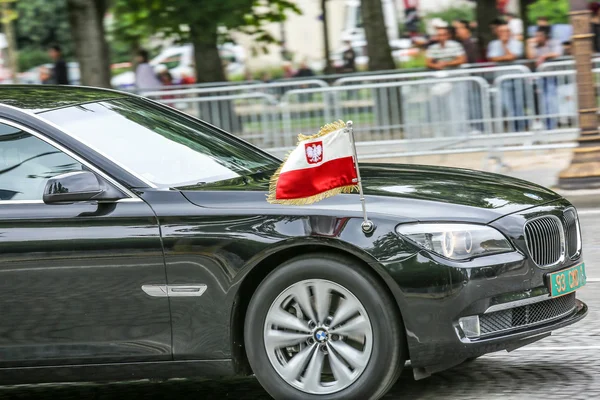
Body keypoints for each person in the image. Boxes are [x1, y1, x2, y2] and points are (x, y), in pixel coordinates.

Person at [527, 26, 563, 130]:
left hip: (552, 77)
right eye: (536, 35)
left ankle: (552, 125)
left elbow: (558, 53)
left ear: (545, 36)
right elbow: (530, 56)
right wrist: (529, 44)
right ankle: (547, 125)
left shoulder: (553, 42)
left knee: (551, 102)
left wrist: (544, 56)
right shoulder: (535, 45)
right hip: (540, 78)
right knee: (543, 102)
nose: (537, 38)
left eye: (539, 36)